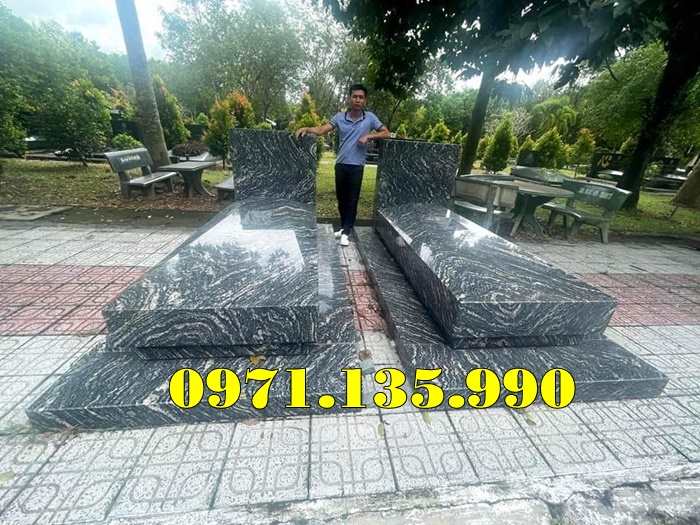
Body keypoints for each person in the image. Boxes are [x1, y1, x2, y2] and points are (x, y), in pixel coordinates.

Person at [296, 84, 390, 246]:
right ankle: (343, 227)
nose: (358, 100)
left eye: (361, 97)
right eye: (355, 96)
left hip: (357, 166)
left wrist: (368, 136)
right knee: (341, 199)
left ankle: (346, 232)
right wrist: (307, 128)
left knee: (352, 199)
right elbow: (322, 130)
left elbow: (386, 132)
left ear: (365, 100)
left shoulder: (370, 118)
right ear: (349, 98)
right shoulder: (340, 117)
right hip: (340, 164)